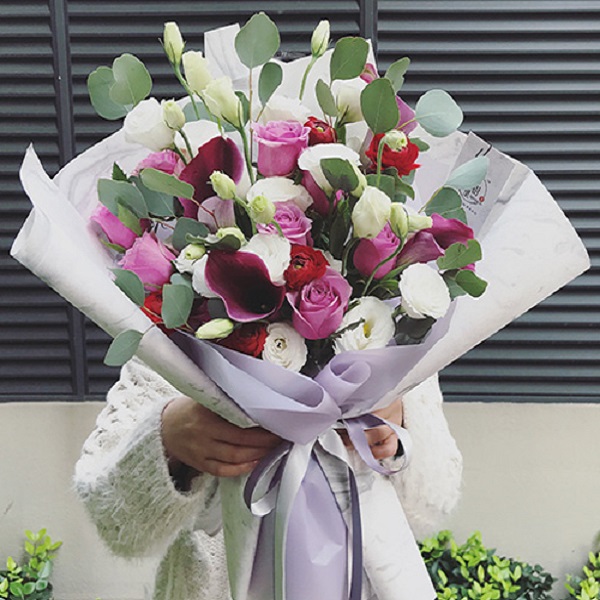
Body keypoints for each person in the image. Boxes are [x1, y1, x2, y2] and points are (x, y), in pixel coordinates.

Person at [74, 357, 463, 600]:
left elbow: (432, 504)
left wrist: (400, 427)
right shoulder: (171, 334)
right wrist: (169, 437)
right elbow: (116, 525)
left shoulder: (392, 334)